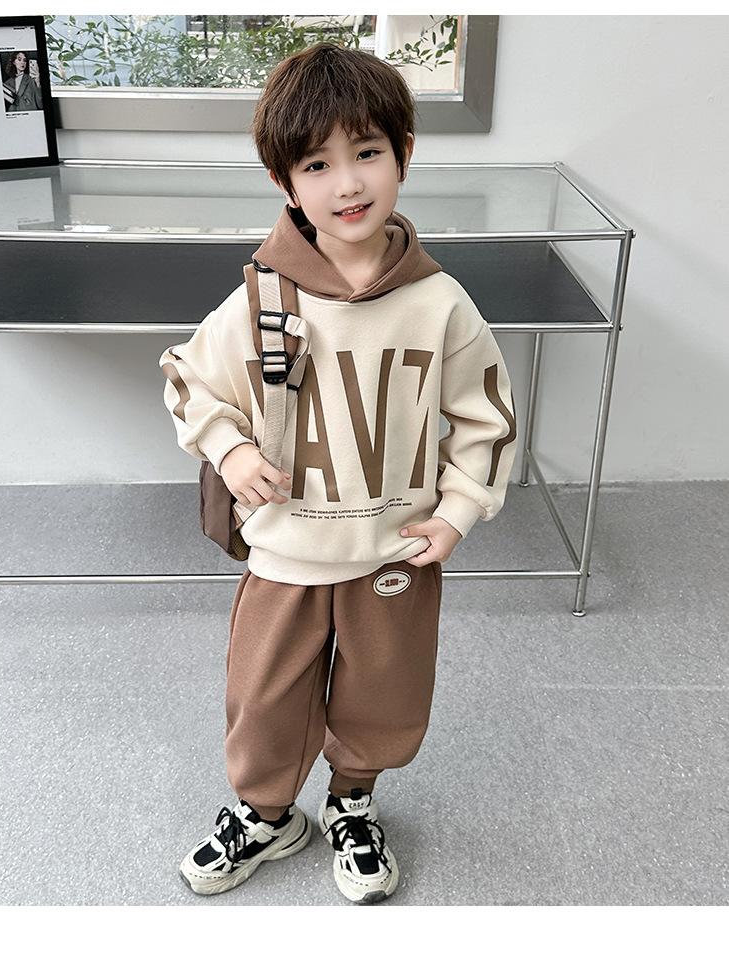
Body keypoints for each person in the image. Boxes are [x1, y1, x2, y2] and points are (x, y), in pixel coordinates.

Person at [159, 41, 517, 904]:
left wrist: (457, 511)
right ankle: (266, 813)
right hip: (287, 551)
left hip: (393, 550)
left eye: (367, 152)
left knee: (384, 698)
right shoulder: (261, 298)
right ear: (284, 181)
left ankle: (353, 801)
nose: (347, 184)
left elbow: (487, 417)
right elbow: (189, 381)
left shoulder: (440, 303)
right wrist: (232, 450)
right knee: (264, 699)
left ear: (404, 154)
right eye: (316, 164)